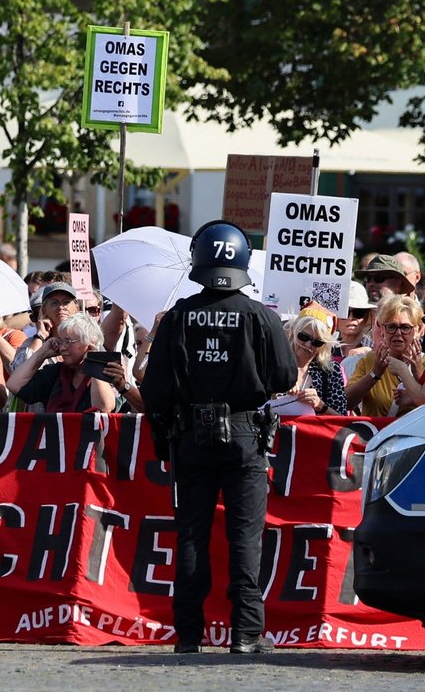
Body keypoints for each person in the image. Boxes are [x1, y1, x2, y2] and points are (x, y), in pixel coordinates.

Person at [140, 220, 297, 655]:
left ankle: (188, 635)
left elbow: (155, 388)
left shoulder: (179, 316)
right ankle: (246, 635)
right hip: (246, 435)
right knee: (245, 538)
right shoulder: (261, 316)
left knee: (191, 535)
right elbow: (285, 376)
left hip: (190, 435)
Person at [6, 313, 118, 414]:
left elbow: (104, 408)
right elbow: (14, 385)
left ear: (90, 343)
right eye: (61, 341)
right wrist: (42, 353)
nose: (63, 347)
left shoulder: (107, 370)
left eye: (69, 341)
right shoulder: (55, 372)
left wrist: (94, 362)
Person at [344, 295, 425, 417]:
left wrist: (419, 375)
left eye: (405, 327)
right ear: (382, 329)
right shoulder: (369, 361)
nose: (398, 333)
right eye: (391, 327)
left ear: (419, 330)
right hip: (377, 434)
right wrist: (375, 374)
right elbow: (345, 402)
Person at [285, 316, 347, 416]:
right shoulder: (276, 365)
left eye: (317, 342)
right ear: (293, 333)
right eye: (303, 337)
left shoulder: (330, 371)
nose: (308, 344)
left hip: (312, 431)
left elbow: (342, 420)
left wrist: (320, 405)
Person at [332, 281, 375, 365]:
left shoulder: (376, 348)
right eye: (345, 312)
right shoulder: (324, 350)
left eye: (358, 313)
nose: (351, 318)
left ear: (367, 316)